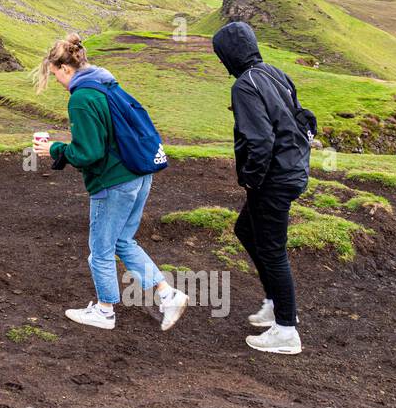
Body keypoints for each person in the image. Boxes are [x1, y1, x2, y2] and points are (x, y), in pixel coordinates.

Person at [34, 34, 187, 332]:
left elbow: (87, 153)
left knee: (101, 249)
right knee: (123, 241)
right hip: (139, 173)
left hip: (114, 182)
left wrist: (55, 150)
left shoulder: (81, 98)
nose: (57, 82)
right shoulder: (105, 83)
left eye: (55, 76)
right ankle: (167, 295)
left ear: (65, 68)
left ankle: (104, 311)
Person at [211, 20, 310, 355]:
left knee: (272, 248)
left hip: (273, 180)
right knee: (246, 230)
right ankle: (275, 303)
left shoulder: (244, 86)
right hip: (290, 170)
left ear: (228, 55)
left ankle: (286, 330)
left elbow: (260, 140)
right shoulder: (273, 73)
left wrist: (252, 179)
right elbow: (302, 118)